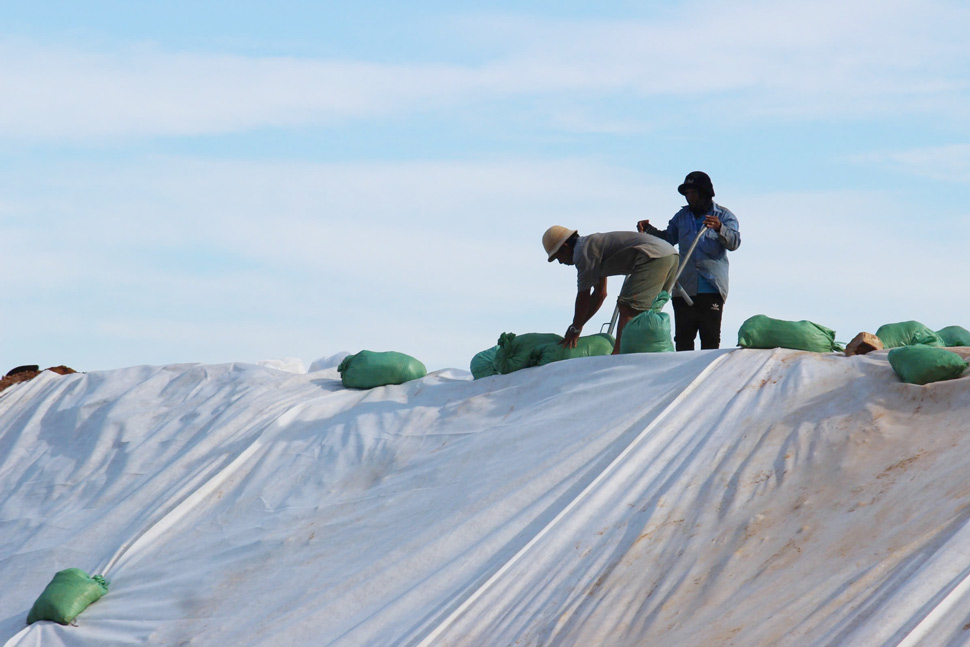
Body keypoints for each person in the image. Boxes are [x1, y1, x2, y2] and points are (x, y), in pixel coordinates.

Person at [637, 171, 740, 351]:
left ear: (705, 193)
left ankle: (708, 377)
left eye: (694, 193)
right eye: (687, 193)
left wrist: (719, 228)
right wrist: (649, 231)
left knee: (710, 338)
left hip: (711, 286)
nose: (690, 198)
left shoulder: (724, 216)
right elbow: (668, 238)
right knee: (683, 339)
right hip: (683, 287)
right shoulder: (681, 217)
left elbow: (734, 243)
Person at [542, 226, 678, 354]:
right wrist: (579, 325)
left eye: (557, 257)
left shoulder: (582, 253)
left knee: (627, 306)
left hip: (654, 256)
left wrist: (575, 328)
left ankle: (618, 354)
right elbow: (600, 295)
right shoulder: (590, 247)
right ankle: (647, 350)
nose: (560, 262)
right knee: (648, 312)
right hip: (670, 255)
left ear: (564, 247)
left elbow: (583, 296)